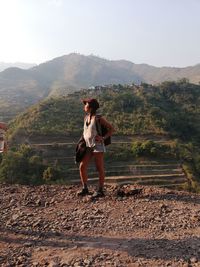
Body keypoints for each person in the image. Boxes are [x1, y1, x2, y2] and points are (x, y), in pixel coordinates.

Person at [78, 98, 115, 198]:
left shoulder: (99, 118)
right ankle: (85, 188)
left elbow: (111, 129)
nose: (84, 106)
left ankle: (100, 190)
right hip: (87, 146)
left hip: (97, 146)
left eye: (86, 104)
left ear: (90, 107)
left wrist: (103, 138)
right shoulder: (86, 118)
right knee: (82, 166)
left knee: (99, 168)